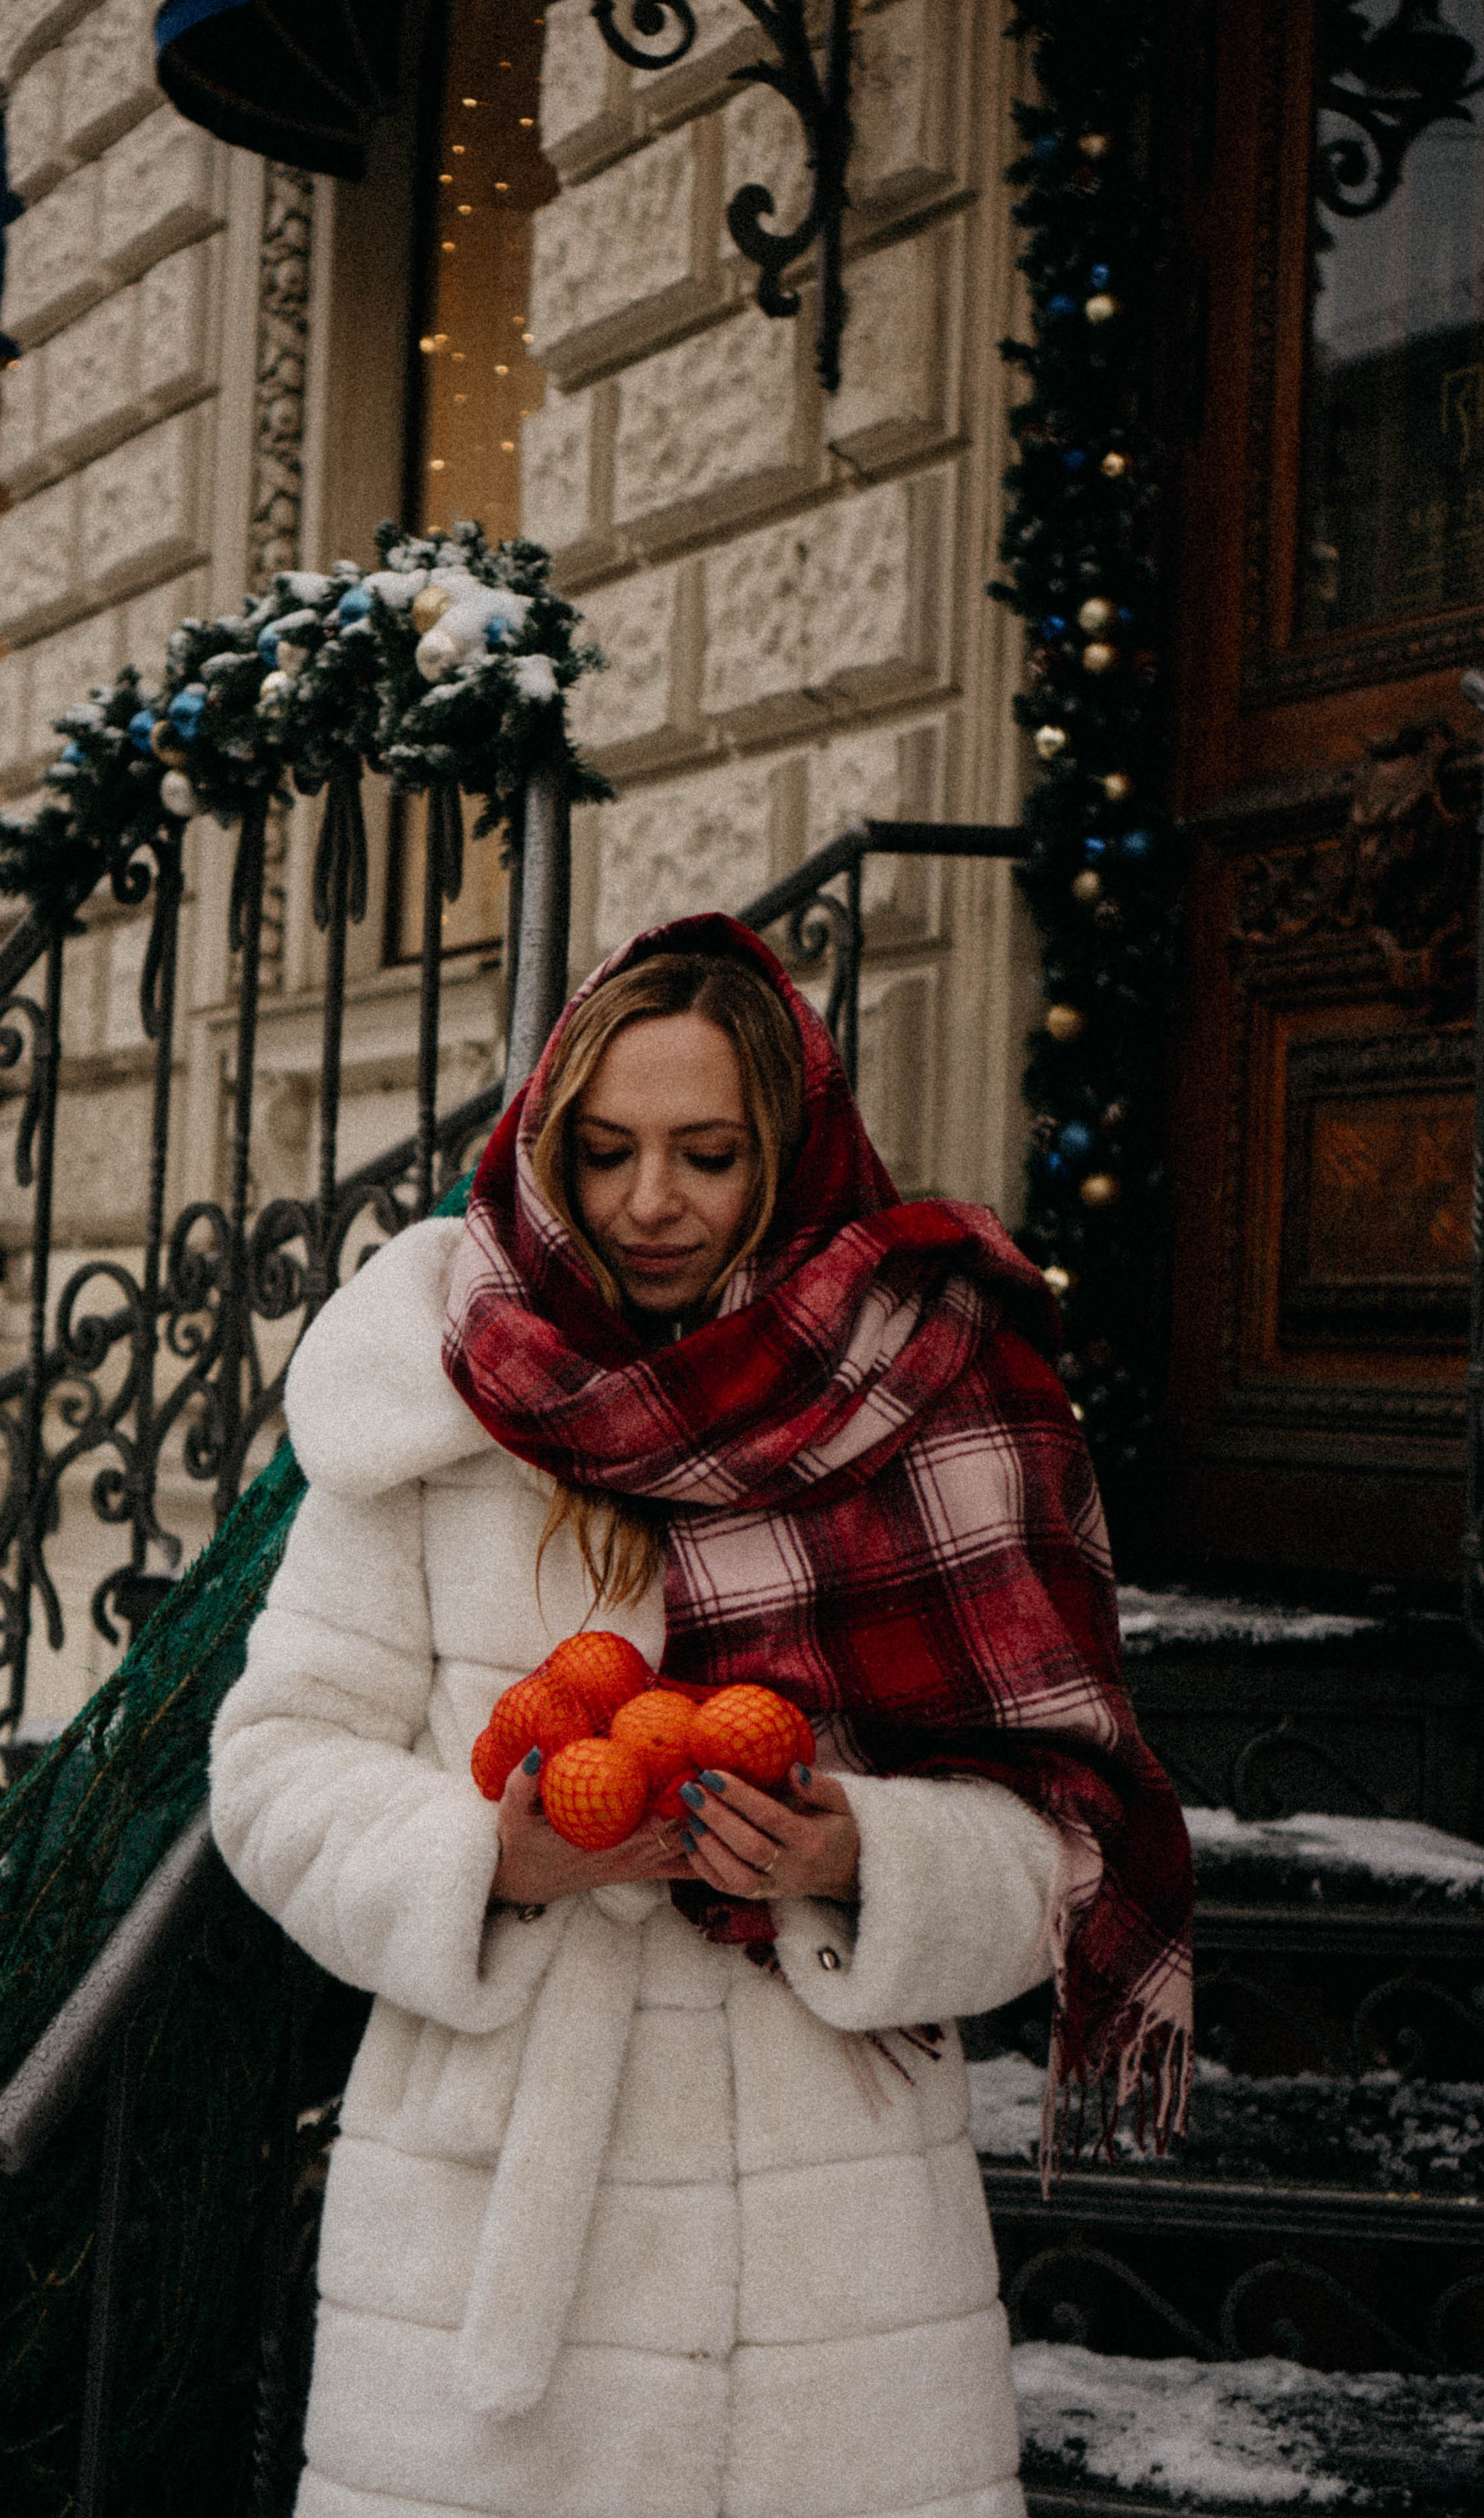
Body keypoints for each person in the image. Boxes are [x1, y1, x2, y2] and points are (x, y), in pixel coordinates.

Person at [210, 910, 1192, 2518]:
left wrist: (860, 1847)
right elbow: (271, 1767)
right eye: (601, 1153)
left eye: (706, 1154)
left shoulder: (932, 1397)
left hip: (830, 2282)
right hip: (495, 2241)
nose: (647, 1204)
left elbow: (1057, 1851)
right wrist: (486, 1863)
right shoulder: (439, 1393)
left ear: (791, 1156)